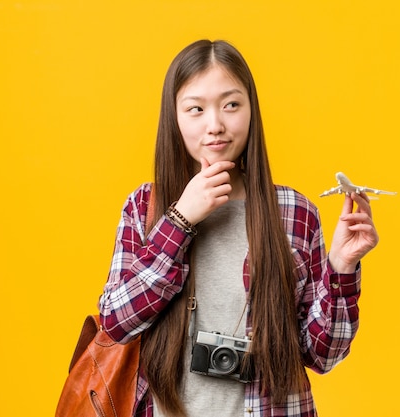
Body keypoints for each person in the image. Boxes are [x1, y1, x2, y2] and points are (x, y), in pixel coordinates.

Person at [98, 39, 379, 417]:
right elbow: (115, 321)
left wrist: (342, 266)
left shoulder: (294, 212)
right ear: (175, 117)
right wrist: (180, 219)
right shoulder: (145, 208)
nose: (215, 125)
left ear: (251, 111)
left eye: (231, 105)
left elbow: (323, 354)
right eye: (195, 109)